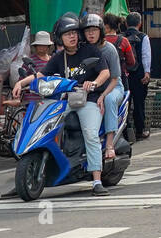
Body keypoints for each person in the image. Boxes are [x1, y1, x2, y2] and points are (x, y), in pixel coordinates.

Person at [13, 14, 111, 196]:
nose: (72, 36)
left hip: (87, 100)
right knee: (43, 123)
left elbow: (105, 72)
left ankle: (96, 179)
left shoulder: (90, 51)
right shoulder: (59, 58)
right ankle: (29, 173)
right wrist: (21, 83)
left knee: (90, 134)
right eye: (67, 34)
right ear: (60, 38)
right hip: (66, 100)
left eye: (74, 33)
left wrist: (94, 84)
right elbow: (41, 75)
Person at [82, 14, 125, 164]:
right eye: (87, 31)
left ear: (101, 31)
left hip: (112, 87)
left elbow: (114, 78)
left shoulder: (109, 50)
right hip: (91, 89)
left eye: (94, 30)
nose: (91, 34)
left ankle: (109, 144)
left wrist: (103, 95)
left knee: (109, 100)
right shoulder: (84, 49)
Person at [125, 12, 152, 139]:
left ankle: (124, 131)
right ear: (140, 24)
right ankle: (140, 131)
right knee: (139, 103)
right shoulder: (143, 37)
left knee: (125, 104)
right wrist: (147, 72)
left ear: (126, 24)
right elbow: (146, 55)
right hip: (139, 74)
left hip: (125, 75)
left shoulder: (122, 38)